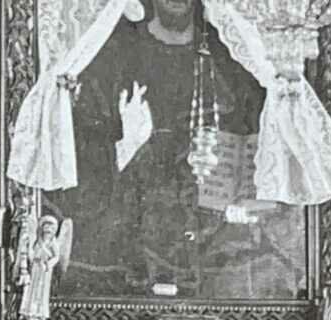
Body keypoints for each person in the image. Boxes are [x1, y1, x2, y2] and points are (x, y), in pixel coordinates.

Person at [52, 0, 272, 296]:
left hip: (215, 232)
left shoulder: (229, 58)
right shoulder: (117, 52)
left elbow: (256, 147)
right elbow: (81, 160)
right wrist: (127, 144)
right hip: (132, 228)